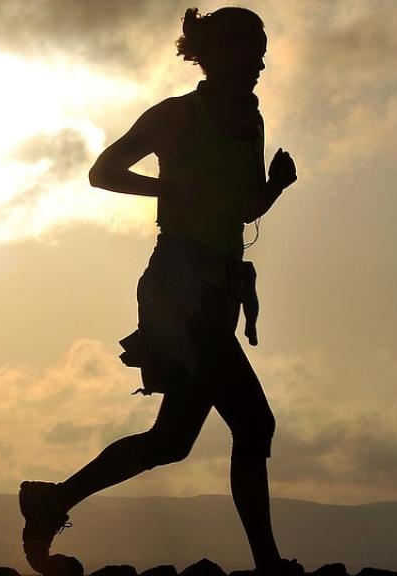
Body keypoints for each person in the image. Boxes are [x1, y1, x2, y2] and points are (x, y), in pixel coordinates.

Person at [19, 6, 300, 575]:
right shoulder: (176, 116)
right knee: (254, 423)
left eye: (262, 49)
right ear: (211, 53)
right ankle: (268, 563)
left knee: (171, 441)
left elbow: (239, 210)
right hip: (180, 290)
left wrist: (273, 188)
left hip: (218, 293)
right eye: (246, 49)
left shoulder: (250, 120)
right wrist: (168, 186)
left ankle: (51, 500)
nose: (259, 62)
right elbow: (103, 172)